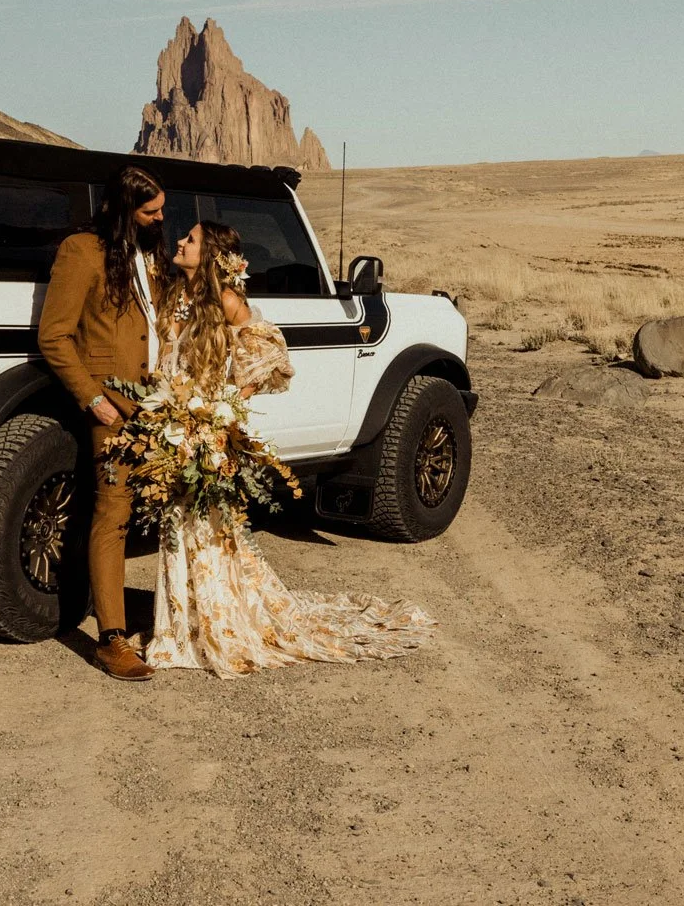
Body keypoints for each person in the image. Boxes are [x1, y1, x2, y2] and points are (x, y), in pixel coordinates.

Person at [142, 220, 434, 676]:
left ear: (213, 256)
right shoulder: (176, 295)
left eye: (191, 239)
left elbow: (273, 356)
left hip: (204, 433)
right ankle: (183, 626)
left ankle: (210, 626)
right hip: (175, 427)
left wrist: (225, 406)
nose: (180, 241)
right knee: (177, 526)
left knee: (202, 527)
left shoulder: (227, 301)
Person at [36, 166, 166, 682]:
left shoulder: (149, 254)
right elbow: (55, 335)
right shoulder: (81, 251)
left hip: (160, 406)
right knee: (112, 512)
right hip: (112, 410)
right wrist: (93, 399)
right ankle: (111, 638)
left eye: (162, 210)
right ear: (123, 210)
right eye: (151, 211)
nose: (161, 219)